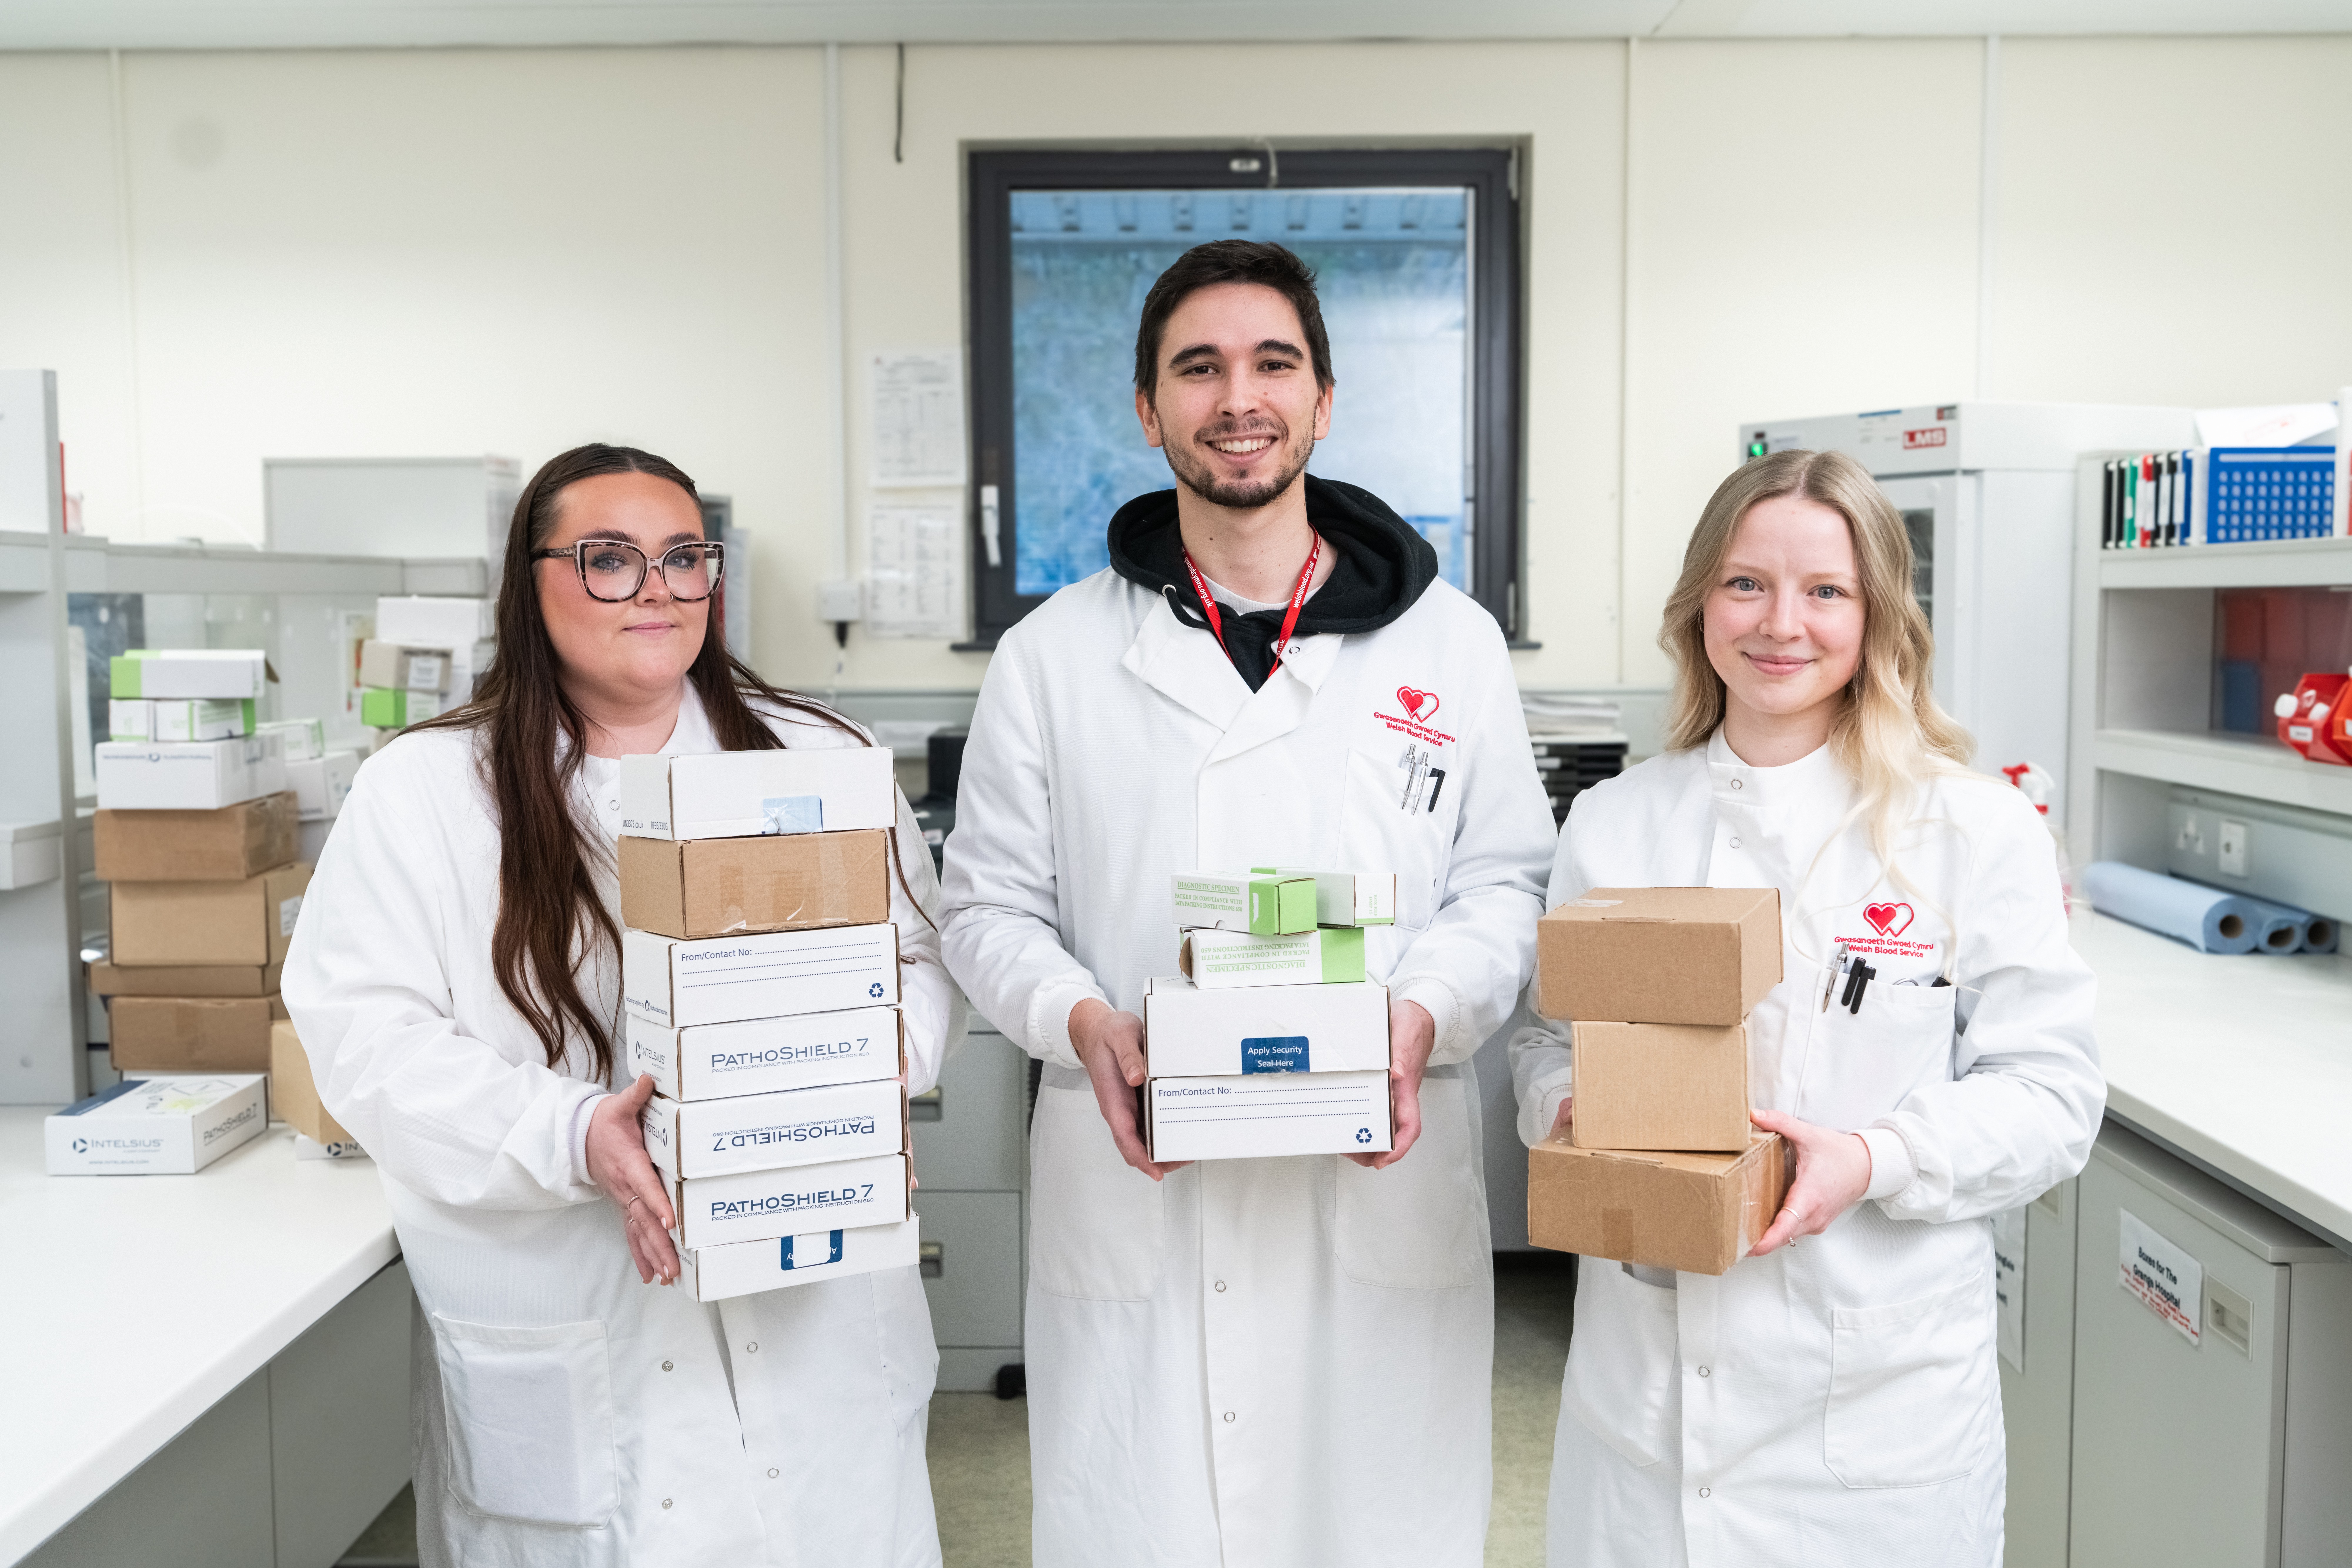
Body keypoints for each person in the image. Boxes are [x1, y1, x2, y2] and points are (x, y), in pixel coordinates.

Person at [939, 239, 1556, 1568]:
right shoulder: (1051, 657)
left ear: (1323, 399)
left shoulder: (1449, 646)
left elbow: (1504, 883)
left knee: (1371, 1525)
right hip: (1140, 1173)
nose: (1238, 397)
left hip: (1373, 1172)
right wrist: (1081, 1019)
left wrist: (1419, 1015)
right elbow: (983, 909)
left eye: (1272, 362)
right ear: (1147, 406)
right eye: (1198, 367)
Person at [283, 444, 962, 1568]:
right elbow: (365, 1037)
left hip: (815, 1300)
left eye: (684, 557)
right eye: (609, 559)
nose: (656, 587)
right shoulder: (427, 791)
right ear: (530, 581)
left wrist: (858, 1066)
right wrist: (571, 1132)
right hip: (571, 1313)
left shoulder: (821, 756)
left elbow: (923, 961)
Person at [1510, 448, 2103, 1567]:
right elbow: (1546, 1034)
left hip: (1874, 1411)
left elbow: (2053, 1095)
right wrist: (1567, 1107)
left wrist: (1874, 1157)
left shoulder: (1970, 830)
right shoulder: (1615, 822)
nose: (1782, 623)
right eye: (1747, 584)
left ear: (1877, 613)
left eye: (1826, 591)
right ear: (1699, 606)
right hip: (1642, 1399)